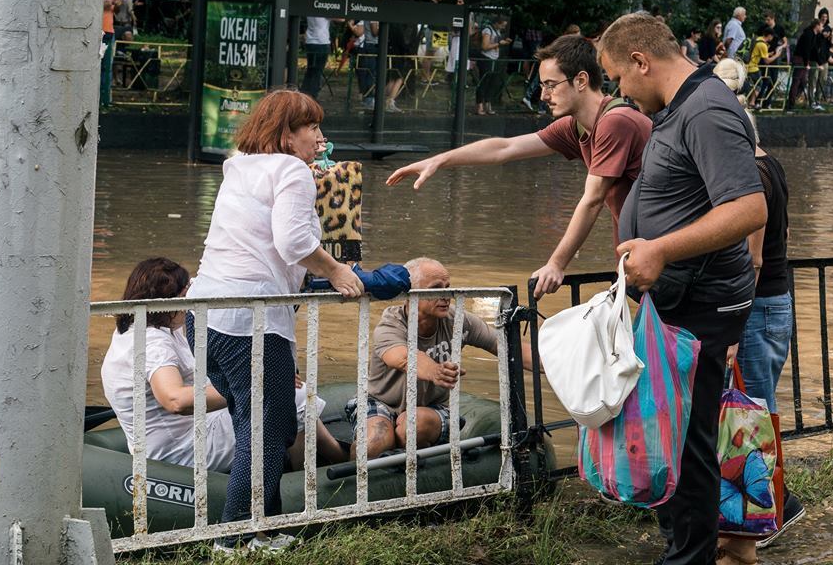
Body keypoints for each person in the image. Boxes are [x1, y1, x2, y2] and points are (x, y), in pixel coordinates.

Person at [598, 13, 767, 565]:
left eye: (618, 77)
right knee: (672, 434)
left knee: (689, 442)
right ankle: (684, 548)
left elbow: (748, 207)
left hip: (701, 302)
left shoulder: (709, 109)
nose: (618, 91)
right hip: (675, 300)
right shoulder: (680, 108)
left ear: (641, 62)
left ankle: (688, 559)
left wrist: (662, 249)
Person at [185, 90, 363, 549]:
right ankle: (234, 538)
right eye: (313, 129)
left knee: (260, 424)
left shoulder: (238, 165)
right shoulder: (291, 170)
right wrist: (339, 270)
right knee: (265, 431)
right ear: (287, 134)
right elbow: (293, 243)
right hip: (250, 321)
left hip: (203, 315)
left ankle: (260, 531)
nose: (321, 139)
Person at [387, 34, 651, 299]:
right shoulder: (576, 126)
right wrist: (440, 160)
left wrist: (556, 264)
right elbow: (505, 148)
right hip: (640, 260)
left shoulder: (615, 122)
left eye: (550, 85)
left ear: (581, 81)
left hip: (663, 258)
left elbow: (592, 200)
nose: (543, 95)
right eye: (542, 85)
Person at [102, 258, 347, 476]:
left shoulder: (141, 325)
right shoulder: (152, 342)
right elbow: (174, 399)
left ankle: (321, 455)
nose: (192, 297)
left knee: (283, 391)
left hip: (179, 434)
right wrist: (255, 384)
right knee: (291, 396)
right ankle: (323, 468)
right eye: (186, 292)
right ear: (168, 301)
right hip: (180, 450)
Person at [712, 59, 806, 556]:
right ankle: (769, 505)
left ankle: (771, 510)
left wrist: (732, 322)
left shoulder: (753, 176)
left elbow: (750, 258)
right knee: (759, 411)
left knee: (756, 415)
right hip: (776, 301)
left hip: (758, 305)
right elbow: (785, 235)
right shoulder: (773, 165)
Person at [346, 258, 534, 458]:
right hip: (380, 401)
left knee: (413, 425)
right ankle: (352, 483)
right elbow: (402, 357)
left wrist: (558, 365)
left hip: (431, 408)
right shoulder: (390, 325)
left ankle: (409, 468)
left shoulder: (459, 320)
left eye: (447, 287)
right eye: (436, 288)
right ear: (409, 294)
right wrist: (435, 371)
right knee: (375, 440)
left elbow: (508, 347)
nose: (446, 295)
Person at [301, 0, 337, 99]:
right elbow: (341, 18)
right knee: (317, 72)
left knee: (310, 70)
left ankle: (304, 94)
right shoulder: (325, 6)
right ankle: (312, 96)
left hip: (311, 42)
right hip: (321, 43)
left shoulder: (311, 4)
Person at [476, 15, 511, 115]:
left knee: (492, 82)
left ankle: (488, 104)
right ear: (497, 23)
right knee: (484, 82)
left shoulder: (497, 31)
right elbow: (485, 46)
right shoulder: (488, 30)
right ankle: (480, 106)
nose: (503, 27)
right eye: (502, 25)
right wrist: (499, 44)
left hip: (494, 59)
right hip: (486, 58)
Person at [787, 19, 822, 110]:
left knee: (803, 82)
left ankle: (793, 101)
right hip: (800, 60)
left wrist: (819, 63)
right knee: (796, 81)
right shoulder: (808, 34)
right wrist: (806, 63)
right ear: (817, 26)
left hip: (803, 60)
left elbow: (813, 50)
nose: (822, 28)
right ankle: (790, 104)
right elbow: (806, 50)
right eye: (821, 25)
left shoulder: (813, 35)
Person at [747, 26, 784, 108]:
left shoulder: (758, 39)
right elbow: (767, 61)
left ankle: (750, 102)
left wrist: (770, 54)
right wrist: (777, 55)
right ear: (769, 36)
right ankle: (752, 103)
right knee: (759, 85)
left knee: (752, 85)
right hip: (753, 67)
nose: (773, 38)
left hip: (747, 65)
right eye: (772, 36)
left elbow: (758, 53)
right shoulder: (763, 45)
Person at [101, 0, 120, 107]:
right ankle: (97, 99)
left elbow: (116, 10)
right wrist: (106, 3)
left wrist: (118, 4)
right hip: (97, 30)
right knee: (97, 66)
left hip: (109, 29)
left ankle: (106, 100)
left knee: (108, 66)